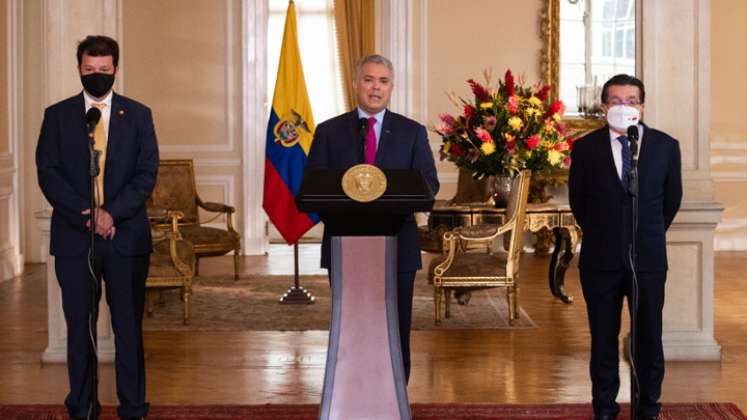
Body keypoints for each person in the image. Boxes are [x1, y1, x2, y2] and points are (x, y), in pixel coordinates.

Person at [36, 35, 159, 420]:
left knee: (127, 326)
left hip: (126, 238)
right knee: (80, 327)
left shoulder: (138, 115)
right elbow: (48, 173)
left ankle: (133, 407)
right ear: (79, 69)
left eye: (104, 71)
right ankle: (83, 405)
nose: (97, 76)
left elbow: (146, 173)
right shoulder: (58, 115)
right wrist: (87, 213)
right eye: (90, 70)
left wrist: (111, 213)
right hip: (76, 238)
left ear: (115, 70)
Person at [306, 54, 439, 381]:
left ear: (391, 88)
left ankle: (395, 397)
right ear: (355, 84)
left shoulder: (412, 132)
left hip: (398, 247)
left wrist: (390, 196)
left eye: (383, 81)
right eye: (368, 79)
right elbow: (312, 188)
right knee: (351, 327)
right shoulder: (329, 132)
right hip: (345, 245)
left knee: (395, 327)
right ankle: (349, 394)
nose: (375, 87)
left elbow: (429, 186)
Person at [568, 74, 682, 420]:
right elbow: (579, 203)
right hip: (600, 261)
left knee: (648, 338)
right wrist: (607, 234)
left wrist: (643, 235)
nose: (624, 107)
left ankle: (648, 408)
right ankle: (604, 408)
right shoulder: (585, 149)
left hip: (647, 260)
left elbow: (671, 201)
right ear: (604, 108)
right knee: (603, 338)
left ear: (642, 107)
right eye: (616, 101)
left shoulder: (665, 146)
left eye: (631, 100)